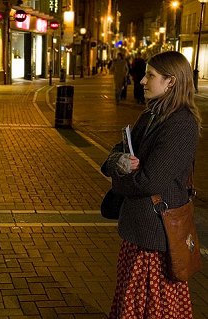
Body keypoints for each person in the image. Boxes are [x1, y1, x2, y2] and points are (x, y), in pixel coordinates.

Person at [102, 51, 202, 318]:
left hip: (157, 235)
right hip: (138, 231)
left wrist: (119, 180)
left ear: (171, 81)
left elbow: (151, 180)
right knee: (131, 302)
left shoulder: (181, 124)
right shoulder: (150, 115)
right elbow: (118, 149)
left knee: (154, 307)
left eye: (151, 75)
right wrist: (117, 160)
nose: (143, 81)